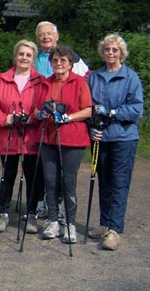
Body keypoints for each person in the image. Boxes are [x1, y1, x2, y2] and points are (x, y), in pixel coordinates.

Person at [87, 34, 144, 251]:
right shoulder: (95, 77)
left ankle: (115, 230)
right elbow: (88, 105)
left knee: (119, 182)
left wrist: (112, 112)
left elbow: (135, 109)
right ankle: (104, 223)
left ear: (121, 53)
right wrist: (92, 127)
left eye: (115, 50)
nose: (111, 53)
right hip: (101, 138)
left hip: (123, 137)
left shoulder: (131, 78)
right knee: (104, 181)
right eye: (107, 50)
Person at [34, 45, 92, 243]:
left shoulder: (80, 83)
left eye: (63, 61)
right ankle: (52, 220)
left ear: (70, 63)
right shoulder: (45, 83)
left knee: (68, 182)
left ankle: (70, 223)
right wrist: (40, 114)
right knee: (50, 181)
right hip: (49, 138)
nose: (59, 64)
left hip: (72, 139)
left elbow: (88, 110)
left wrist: (67, 117)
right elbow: (36, 109)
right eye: (55, 61)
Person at [0, 40, 45, 234]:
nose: (24, 58)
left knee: (32, 177)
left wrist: (33, 117)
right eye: (21, 54)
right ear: (15, 56)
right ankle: (3, 212)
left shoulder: (41, 81)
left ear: (33, 59)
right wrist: (6, 118)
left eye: (28, 55)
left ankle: (31, 214)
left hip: (32, 137)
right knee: (7, 175)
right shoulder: (2, 79)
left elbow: (44, 106)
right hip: (9, 136)